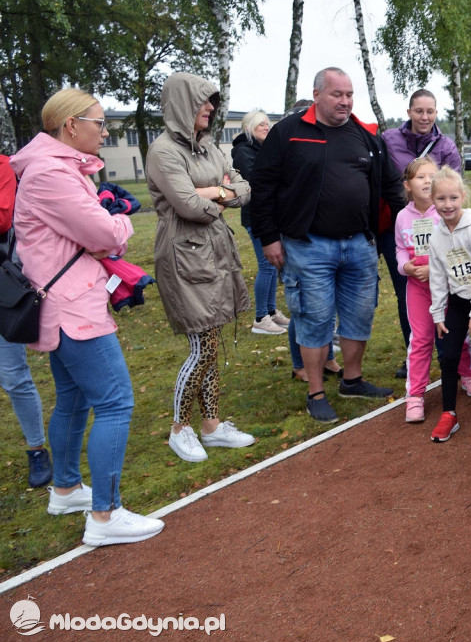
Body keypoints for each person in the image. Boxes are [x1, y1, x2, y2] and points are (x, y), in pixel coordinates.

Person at [10, 88, 164, 546]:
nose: (105, 129)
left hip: (65, 302)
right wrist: (119, 222)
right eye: (99, 122)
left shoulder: (53, 169)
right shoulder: (50, 174)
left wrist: (105, 227)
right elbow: (102, 232)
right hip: (73, 305)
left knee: (73, 400)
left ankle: (66, 488)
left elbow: (93, 235)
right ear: (70, 125)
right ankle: (105, 516)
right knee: (116, 402)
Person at [249, 67, 405, 422]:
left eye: (350, 95)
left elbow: (392, 186)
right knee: (314, 319)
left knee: (359, 315)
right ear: (317, 94)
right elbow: (263, 189)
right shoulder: (287, 134)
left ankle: (352, 379)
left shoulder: (365, 137)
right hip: (307, 247)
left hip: (359, 246)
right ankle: (315, 392)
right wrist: (269, 237)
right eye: (338, 94)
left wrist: (409, 226)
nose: (345, 101)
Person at [147, 72, 256, 462]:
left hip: (213, 250)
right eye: (203, 101)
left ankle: (211, 425)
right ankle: (180, 428)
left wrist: (215, 192)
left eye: (212, 101)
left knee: (212, 341)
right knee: (202, 345)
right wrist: (219, 195)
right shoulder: (163, 151)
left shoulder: (209, 146)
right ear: (183, 105)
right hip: (183, 254)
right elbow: (187, 206)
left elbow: (243, 187)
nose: (210, 108)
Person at [394, 158, 471, 423]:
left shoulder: (445, 213)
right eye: (421, 177)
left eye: (432, 176)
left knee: (454, 334)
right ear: (408, 185)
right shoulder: (402, 217)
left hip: (447, 287)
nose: (427, 181)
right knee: (420, 340)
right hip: (417, 290)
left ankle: (467, 373)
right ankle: (415, 396)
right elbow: (399, 248)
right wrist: (404, 267)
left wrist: (435, 269)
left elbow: (458, 250)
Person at [382, 89, 461, 379]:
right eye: (419, 111)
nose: (424, 117)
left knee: (447, 293)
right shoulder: (390, 139)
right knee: (409, 293)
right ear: (409, 112)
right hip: (402, 223)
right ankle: (414, 351)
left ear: (436, 113)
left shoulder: (446, 146)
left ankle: (450, 354)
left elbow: (455, 185)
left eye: (430, 111)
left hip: (439, 224)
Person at [427, 166, 471, 442]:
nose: (447, 204)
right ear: (433, 200)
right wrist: (437, 313)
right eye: (441, 199)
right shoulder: (436, 236)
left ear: (463, 197)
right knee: (449, 355)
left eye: (453, 198)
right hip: (457, 302)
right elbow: (437, 276)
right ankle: (448, 413)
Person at [0, 155, 50, 488]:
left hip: (4, 286)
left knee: (12, 375)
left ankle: (37, 450)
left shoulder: (3, 165)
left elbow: (4, 218)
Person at [232, 109, 289, 336]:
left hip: (270, 215)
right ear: (249, 127)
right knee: (266, 265)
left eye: (267, 124)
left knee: (273, 265)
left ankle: (272, 311)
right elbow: (256, 180)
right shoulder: (243, 151)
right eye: (261, 125)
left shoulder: (264, 148)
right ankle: (260, 317)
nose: (266, 127)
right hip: (256, 216)